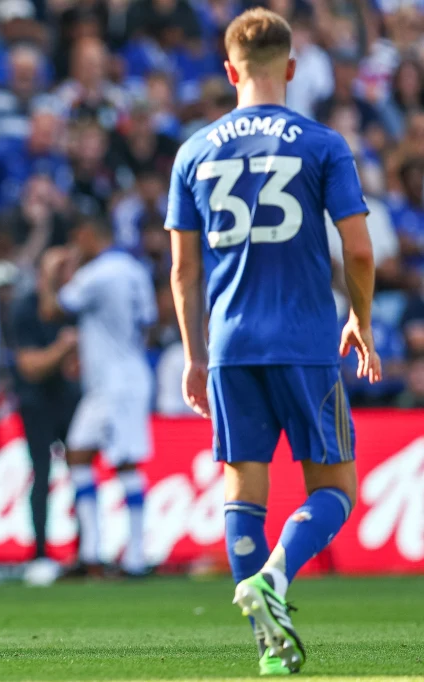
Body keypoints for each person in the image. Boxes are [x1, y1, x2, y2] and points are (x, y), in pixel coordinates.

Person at [166, 9, 379, 676]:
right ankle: (277, 578)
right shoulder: (321, 143)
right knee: (335, 487)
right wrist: (362, 322)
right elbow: (361, 250)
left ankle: (270, 651)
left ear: (231, 71)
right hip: (307, 339)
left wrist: (195, 355)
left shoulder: (194, 150)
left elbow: (181, 269)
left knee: (243, 494)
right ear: (289, 68)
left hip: (229, 345)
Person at [39, 216, 156, 579]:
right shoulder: (134, 269)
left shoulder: (100, 274)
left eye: (78, 238)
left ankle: (135, 558)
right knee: (78, 452)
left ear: (90, 234)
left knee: (124, 462)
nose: (76, 246)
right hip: (119, 375)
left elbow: (52, 309)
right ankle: (92, 553)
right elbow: (149, 322)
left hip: (116, 383)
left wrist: (48, 273)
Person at [9, 246, 80, 587]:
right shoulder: (25, 308)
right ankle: (39, 554)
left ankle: (85, 553)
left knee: (81, 471)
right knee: (42, 472)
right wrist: (63, 350)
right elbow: (30, 366)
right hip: (37, 400)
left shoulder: (73, 304)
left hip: (69, 397)